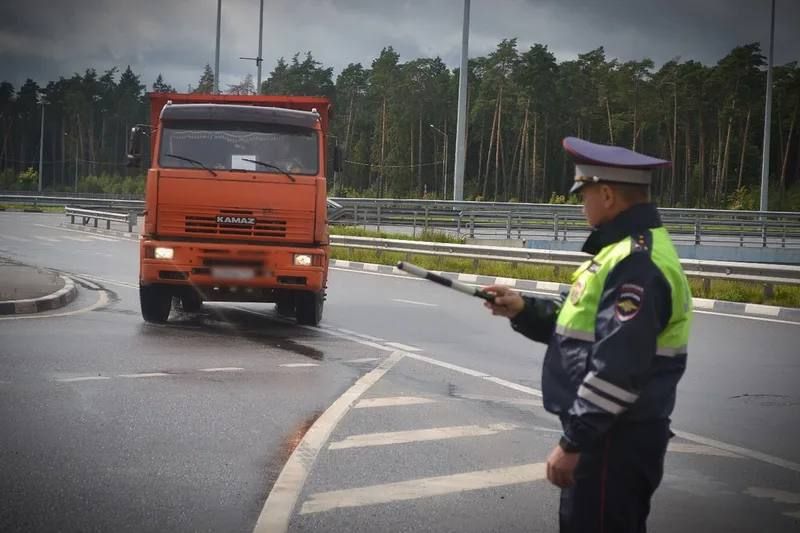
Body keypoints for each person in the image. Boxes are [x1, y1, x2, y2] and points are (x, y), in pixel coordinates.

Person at [484, 137, 693, 532]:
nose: (581, 206)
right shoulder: (622, 252)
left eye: (585, 196)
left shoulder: (637, 263)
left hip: (613, 441)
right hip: (612, 435)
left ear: (609, 194)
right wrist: (525, 309)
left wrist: (574, 443)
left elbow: (618, 367)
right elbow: (584, 330)